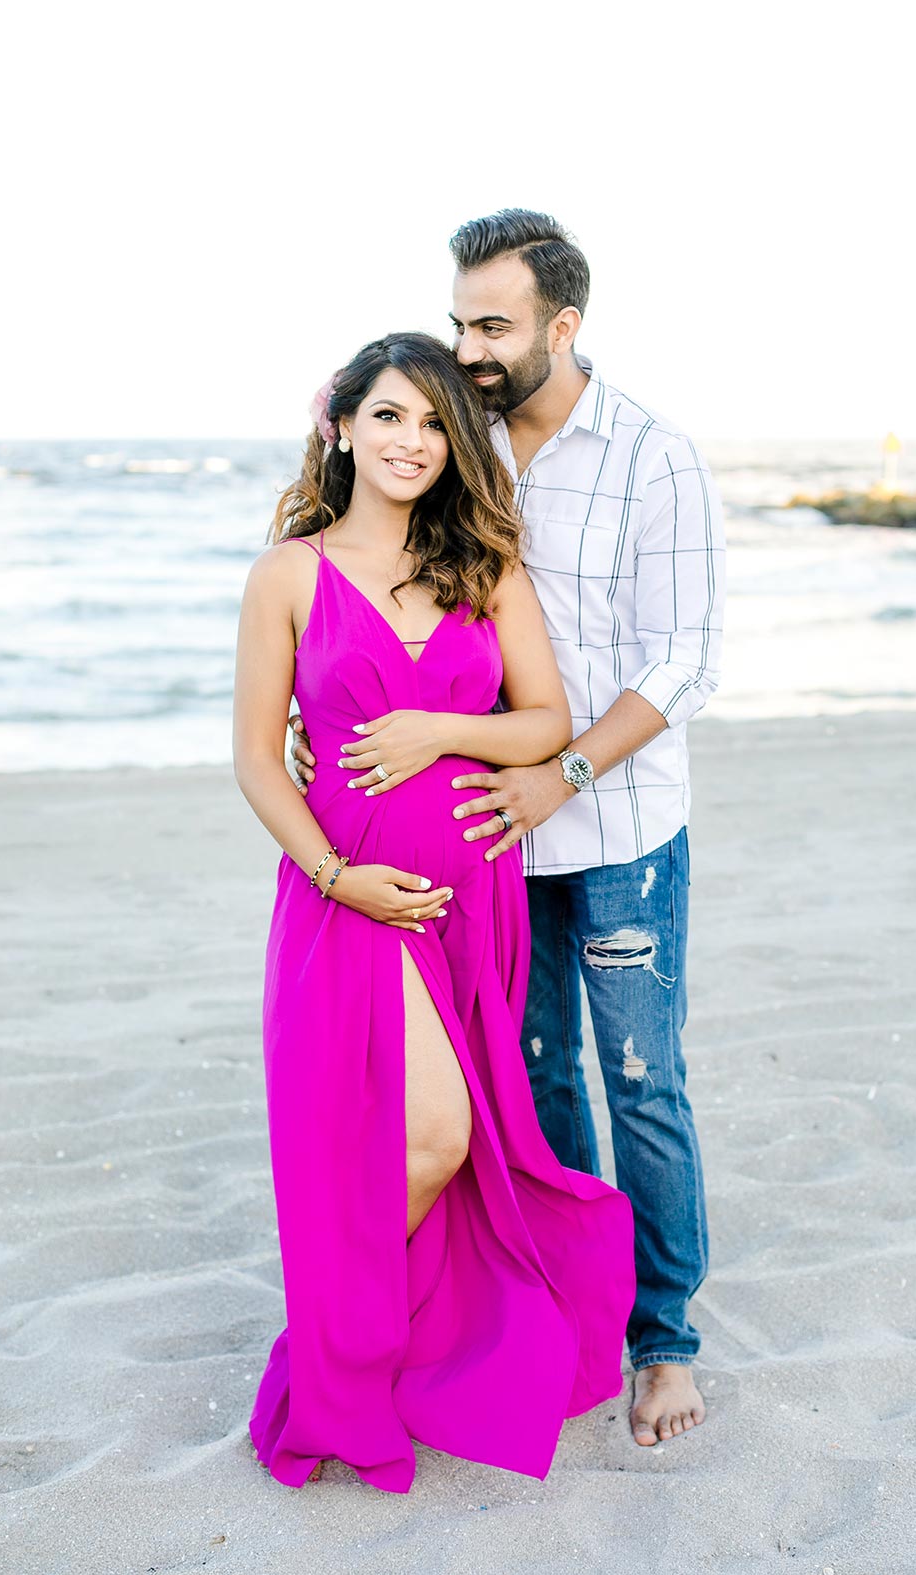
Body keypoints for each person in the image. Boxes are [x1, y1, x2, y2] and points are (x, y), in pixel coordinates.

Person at [292, 212, 726, 1448]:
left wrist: (569, 769)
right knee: (527, 1087)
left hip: (619, 824)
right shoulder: (452, 428)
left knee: (642, 1083)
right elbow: (354, 484)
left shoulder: (654, 458)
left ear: (563, 326)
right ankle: (570, 1309)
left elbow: (687, 659)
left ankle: (665, 1341)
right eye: (459, 322)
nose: (470, 346)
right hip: (482, 848)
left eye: (494, 325)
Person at [233, 330, 635, 1494]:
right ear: (342, 424)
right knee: (429, 1135)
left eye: (432, 424)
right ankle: (338, 1348)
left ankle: (358, 1344)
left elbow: (547, 722)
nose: (412, 443)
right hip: (350, 896)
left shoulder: (482, 567)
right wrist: (330, 874)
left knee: (454, 1143)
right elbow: (259, 761)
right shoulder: (290, 576)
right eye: (391, 417)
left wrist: (439, 730)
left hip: (474, 899)